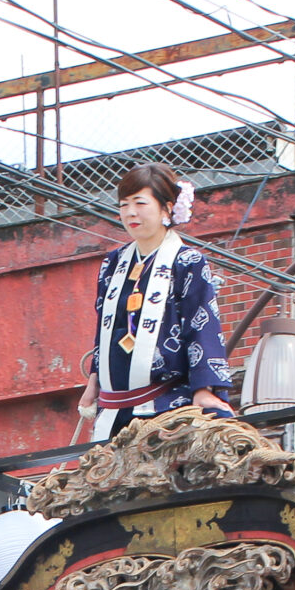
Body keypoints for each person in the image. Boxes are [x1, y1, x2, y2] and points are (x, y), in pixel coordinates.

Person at [70, 161, 231, 443]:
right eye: (124, 204)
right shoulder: (113, 263)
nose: (130, 212)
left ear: (166, 208)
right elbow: (104, 332)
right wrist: (93, 383)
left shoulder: (187, 262)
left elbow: (202, 327)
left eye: (140, 203)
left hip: (167, 404)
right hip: (113, 409)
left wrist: (204, 389)